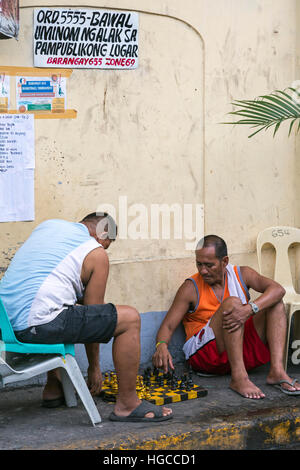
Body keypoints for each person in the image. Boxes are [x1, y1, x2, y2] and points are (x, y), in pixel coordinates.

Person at [0, 213, 172, 422]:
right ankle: (128, 404)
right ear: (102, 234)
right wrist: (94, 367)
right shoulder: (95, 252)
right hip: (36, 325)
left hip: (6, 326)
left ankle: (53, 388)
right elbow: (94, 312)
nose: (103, 248)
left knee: (61, 305)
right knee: (130, 319)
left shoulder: (48, 226)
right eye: (106, 244)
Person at [152, 234, 300, 399]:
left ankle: (277, 371)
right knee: (232, 304)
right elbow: (168, 326)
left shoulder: (241, 274)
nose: (203, 271)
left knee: (275, 303)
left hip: (237, 348)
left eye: (209, 265)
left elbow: (278, 290)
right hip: (205, 356)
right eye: (199, 264)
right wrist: (161, 345)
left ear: (225, 262)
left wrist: (250, 309)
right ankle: (239, 378)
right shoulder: (190, 287)